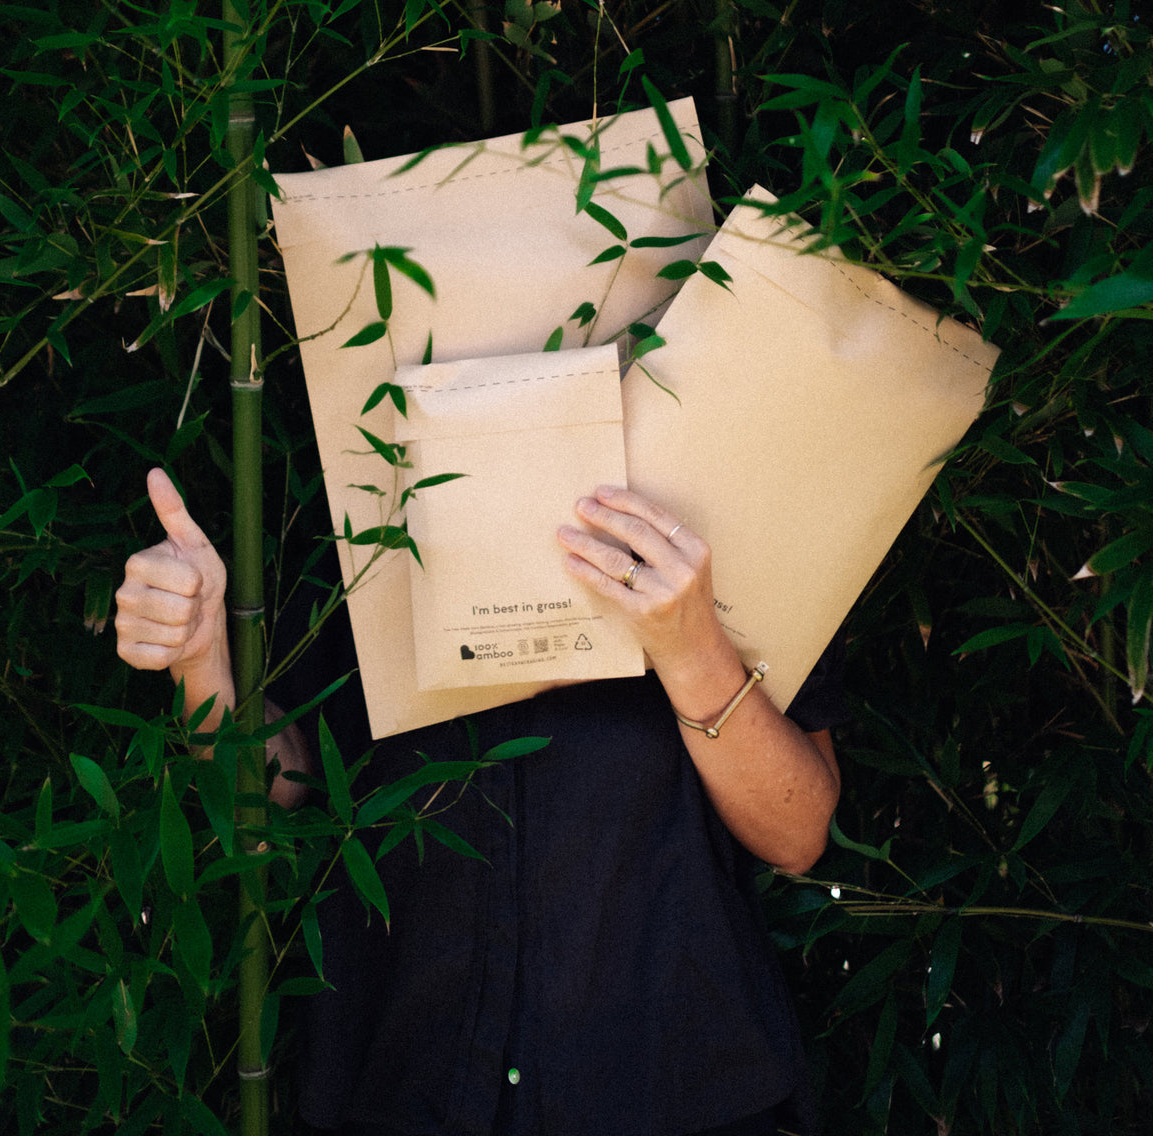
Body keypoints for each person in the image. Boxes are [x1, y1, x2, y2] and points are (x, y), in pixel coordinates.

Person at [116, 466, 845, 1136]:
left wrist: (691, 650)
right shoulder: (363, 473)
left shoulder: (720, 469)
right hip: (406, 1079)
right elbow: (282, 800)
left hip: (670, 1088)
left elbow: (798, 831)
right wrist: (201, 666)